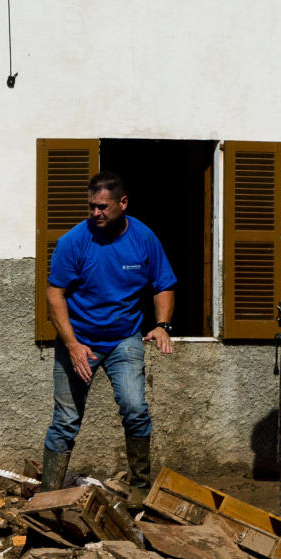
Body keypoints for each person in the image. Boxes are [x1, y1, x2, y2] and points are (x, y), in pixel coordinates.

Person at [42, 171, 176, 500]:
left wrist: (162, 325)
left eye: (102, 207)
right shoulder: (73, 241)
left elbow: (164, 284)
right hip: (79, 339)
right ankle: (47, 496)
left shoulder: (144, 238)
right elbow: (54, 293)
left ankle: (140, 492)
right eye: (91, 207)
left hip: (123, 339)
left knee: (135, 408)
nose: (95, 214)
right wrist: (72, 345)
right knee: (66, 420)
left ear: (123, 203)